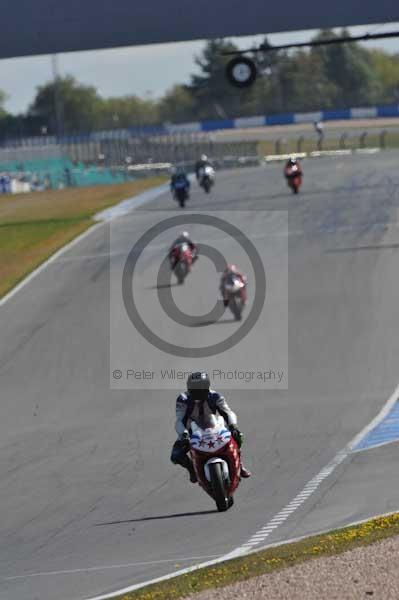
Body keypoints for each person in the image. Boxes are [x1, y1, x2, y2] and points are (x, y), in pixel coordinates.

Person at [170, 372, 251, 482]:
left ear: (207, 387)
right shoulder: (183, 399)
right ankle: (192, 470)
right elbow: (180, 420)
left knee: (238, 436)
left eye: (200, 389)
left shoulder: (215, 396)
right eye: (194, 389)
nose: (197, 392)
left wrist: (233, 426)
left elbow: (228, 412)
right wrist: (183, 434)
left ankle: (239, 465)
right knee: (176, 455)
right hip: (191, 432)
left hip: (214, 427)